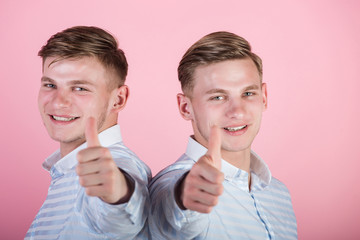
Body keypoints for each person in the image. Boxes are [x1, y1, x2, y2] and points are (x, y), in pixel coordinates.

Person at [149, 31, 297, 239]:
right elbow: (178, 212)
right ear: (185, 107)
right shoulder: (172, 184)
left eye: (248, 93)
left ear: (264, 97)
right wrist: (185, 195)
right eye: (218, 97)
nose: (237, 111)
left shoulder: (279, 193)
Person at [25, 26, 151, 240]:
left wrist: (115, 194)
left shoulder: (117, 164)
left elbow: (121, 215)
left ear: (118, 99)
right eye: (50, 84)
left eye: (80, 88)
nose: (58, 102)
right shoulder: (66, 172)